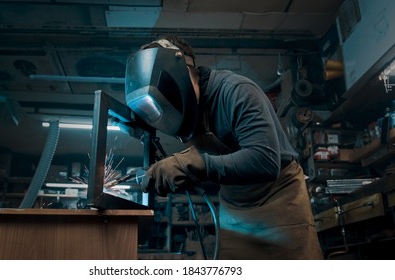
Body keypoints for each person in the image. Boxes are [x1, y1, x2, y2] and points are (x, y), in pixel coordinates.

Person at [124, 35, 323, 259]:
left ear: (185, 73)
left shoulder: (236, 91)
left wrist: (191, 164)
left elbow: (264, 161)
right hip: (235, 206)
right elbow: (216, 166)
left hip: (278, 202)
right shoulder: (192, 112)